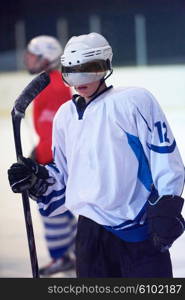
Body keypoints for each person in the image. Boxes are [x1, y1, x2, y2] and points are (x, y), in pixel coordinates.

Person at [8, 32, 185, 278]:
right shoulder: (65, 116)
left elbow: (164, 154)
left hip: (139, 228)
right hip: (89, 234)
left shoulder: (134, 101)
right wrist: (38, 179)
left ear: (105, 67)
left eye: (89, 69)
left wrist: (168, 203)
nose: (80, 79)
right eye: (71, 70)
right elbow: (65, 176)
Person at [23, 35, 77, 276]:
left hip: (53, 162)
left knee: (50, 207)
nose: (27, 58)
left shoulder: (51, 87)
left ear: (47, 59)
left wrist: (40, 160)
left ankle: (62, 256)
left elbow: (56, 133)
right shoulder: (49, 82)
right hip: (51, 156)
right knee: (62, 207)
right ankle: (78, 249)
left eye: (33, 54)